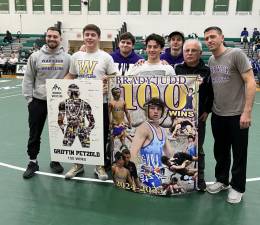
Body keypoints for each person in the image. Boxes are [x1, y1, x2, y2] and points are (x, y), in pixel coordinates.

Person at [204, 26, 256, 203]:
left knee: (239, 153)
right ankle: (222, 180)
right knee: (221, 151)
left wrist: (247, 112)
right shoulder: (211, 60)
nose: (209, 40)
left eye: (212, 37)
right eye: (207, 38)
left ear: (221, 37)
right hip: (218, 114)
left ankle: (238, 187)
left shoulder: (236, 54)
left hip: (237, 114)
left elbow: (250, 82)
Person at [64, 24, 118, 180]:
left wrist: (108, 84)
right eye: (86, 34)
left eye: (93, 35)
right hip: (78, 103)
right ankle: (77, 165)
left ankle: (99, 166)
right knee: (77, 132)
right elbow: (71, 76)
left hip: (100, 103)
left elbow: (114, 79)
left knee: (99, 135)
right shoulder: (76, 57)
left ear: (98, 37)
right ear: (83, 37)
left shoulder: (106, 57)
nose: (89, 37)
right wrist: (58, 86)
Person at [22, 26, 71, 179]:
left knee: (58, 133)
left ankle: (55, 160)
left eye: (55, 37)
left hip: (59, 103)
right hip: (38, 101)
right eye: (49, 36)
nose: (51, 39)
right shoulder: (35, 56)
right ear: (46, 37)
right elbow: (28, 79)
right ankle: (32, 161)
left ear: (60, 39)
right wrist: (29, 100)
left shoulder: (67, 58)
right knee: (34, 133)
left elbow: (72, 77)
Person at [175, 38, 214, 191]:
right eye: (187, 50)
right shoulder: (176, 69)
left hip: (198, 118)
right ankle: (179, 173)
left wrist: (207, 110)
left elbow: (212, 93)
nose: (190, 53)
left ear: (200, 53)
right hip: (179, 116)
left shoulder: (207, 71)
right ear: (183, 52)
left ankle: (200, 178)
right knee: (179, 145)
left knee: (198, 148)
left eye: (193, 51)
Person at [131, 97, 171, 187]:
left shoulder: (163, 130)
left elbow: (170, 154)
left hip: (159, 173)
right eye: (152, 108)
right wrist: (135, 178)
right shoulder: (144, 128)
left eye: (159, 109)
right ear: (147, 111)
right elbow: (133, 153)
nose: (156, 111)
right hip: (147, 176)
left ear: (162, 112)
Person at [58, 84, 95, 148]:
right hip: (82, 129)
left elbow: (60, 121)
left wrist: (63, 129)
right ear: (78, 93)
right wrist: (88, 130)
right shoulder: (85, 104)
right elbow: (92, 122)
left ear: (69, 93)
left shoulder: (63, 104)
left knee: (66, 150)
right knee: (87, 150)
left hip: (70, 129)